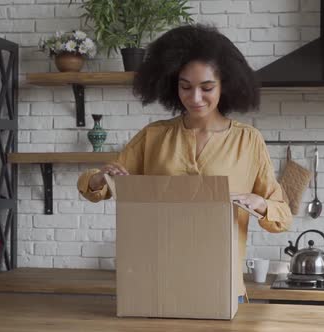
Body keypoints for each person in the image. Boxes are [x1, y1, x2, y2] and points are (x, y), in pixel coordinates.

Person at [77, 24, 292, 302]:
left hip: (222, 286)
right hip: (157, 281)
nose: (195, 98)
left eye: (207, 87)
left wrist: (260, 203)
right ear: (172, 84)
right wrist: (99, 178)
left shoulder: (248, 141)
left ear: (225, 84)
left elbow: (282, 216)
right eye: (185, 87)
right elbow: (100, 186)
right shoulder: (154, 135)